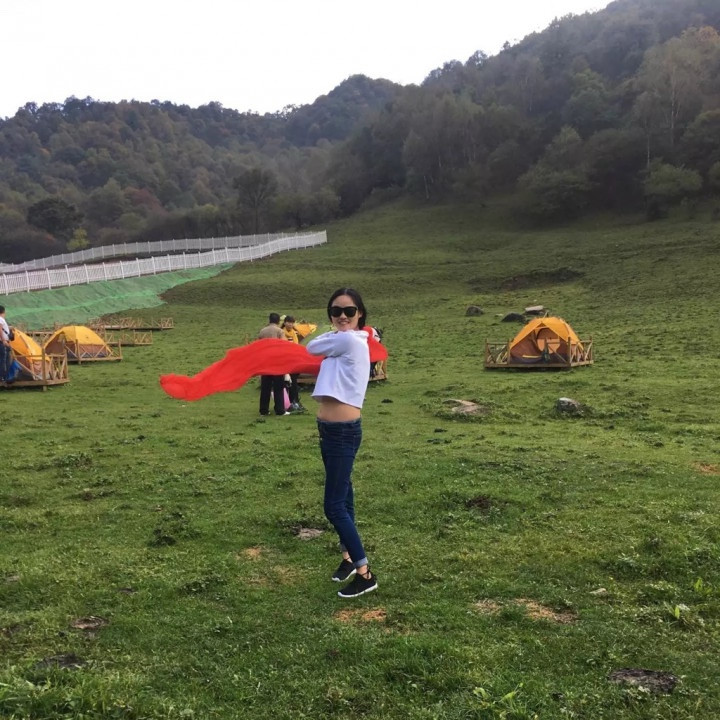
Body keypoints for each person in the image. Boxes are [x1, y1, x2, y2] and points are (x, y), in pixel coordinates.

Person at [306, 288, 378, 598]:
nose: (342, 316)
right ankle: (348, 559)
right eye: (336, 311)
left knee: (333, 506)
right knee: (344, 495)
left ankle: (365, 574)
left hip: (342, 432)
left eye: (349, 311)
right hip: (330, 429)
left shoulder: (348, 340)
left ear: (360, 313)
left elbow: (311, 347)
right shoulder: (351, 340)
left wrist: (334, 332)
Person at [257, 313, 289, 416]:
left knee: (265, 387)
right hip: (277, 362)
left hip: (265, 362)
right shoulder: (280, 331)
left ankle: (263, 410)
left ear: (269, 320)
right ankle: (280, 410)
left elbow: (258, 346)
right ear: (278, 321)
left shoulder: (262, 331)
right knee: (278, 387)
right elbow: (284, 345)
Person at [280, 315, 305, 412]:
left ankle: (294, 401)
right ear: (284, 323)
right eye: (289, 322)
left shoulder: (294, 333)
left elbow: (296, 346)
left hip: (293, 360)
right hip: (284, 361)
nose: (290, 324)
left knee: (293, 382)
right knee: (286, 382)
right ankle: (286, 403)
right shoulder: (281, 333)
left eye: (292, 322)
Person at [0, 305, 11, 382]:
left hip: (4, 342)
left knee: (5, 359)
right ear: (3, 312)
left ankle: (5, 376)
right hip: (3, 342)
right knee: (3, 360)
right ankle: (3, 377)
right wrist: (3, 340)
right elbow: (0, 329)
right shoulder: (0, 319)